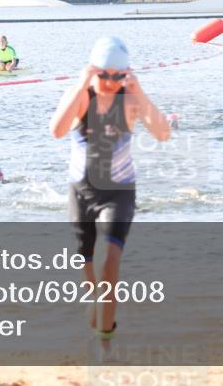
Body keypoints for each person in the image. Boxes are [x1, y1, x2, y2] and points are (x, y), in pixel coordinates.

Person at [49, 36, 170, 351]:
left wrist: (139, 91)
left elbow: (163, 133)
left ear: (126, 73)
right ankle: (96, 303)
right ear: (92, 71)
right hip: (81, 191)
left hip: (118, 191)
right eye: (104, 75)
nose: (111, 82)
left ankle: (105, 347)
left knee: (108, 262)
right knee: (85, 263)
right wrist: (79, 85)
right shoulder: (79, 97)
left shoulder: (130, 100)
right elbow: (57, 130)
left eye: (118, 76)